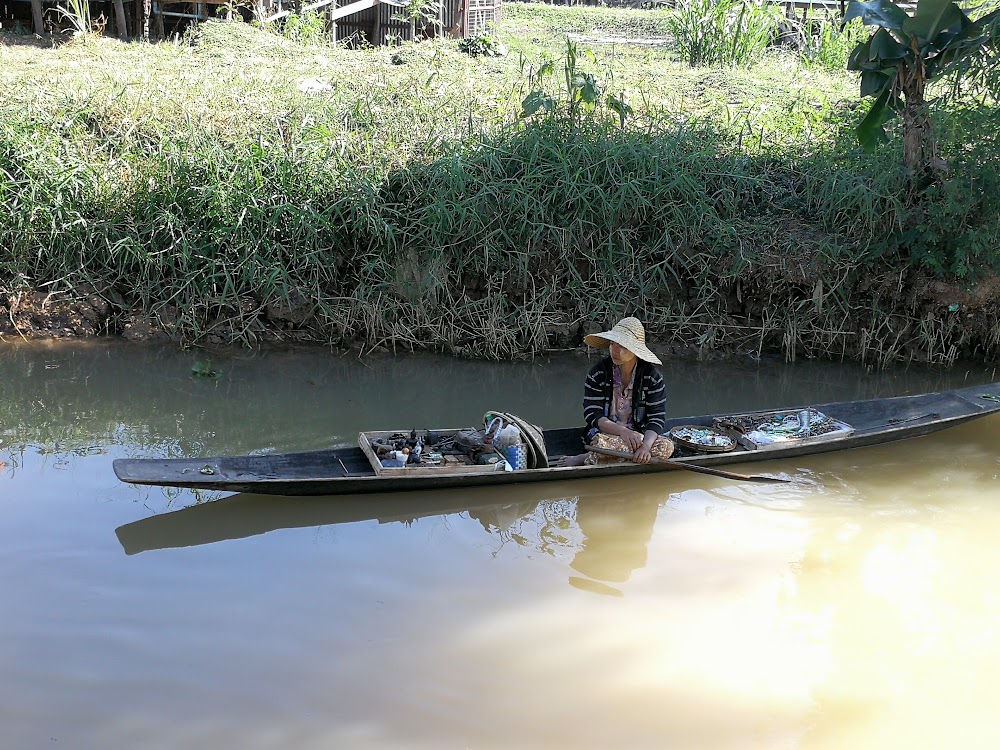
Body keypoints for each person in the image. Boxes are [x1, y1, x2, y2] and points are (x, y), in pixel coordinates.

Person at [556, 317, 671, 467]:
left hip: (638, 436)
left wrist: (645, 447)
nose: (615, 350)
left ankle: (594, 456)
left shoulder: (652, 377)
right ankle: (589, 456)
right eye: (612, 344)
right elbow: (592, 414)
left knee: (666, 447)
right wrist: (622, 431)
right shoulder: (598, 373)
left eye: (622, 346)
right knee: (601, 444)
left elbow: (656, 418)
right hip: (605, 435)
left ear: (635, 351)